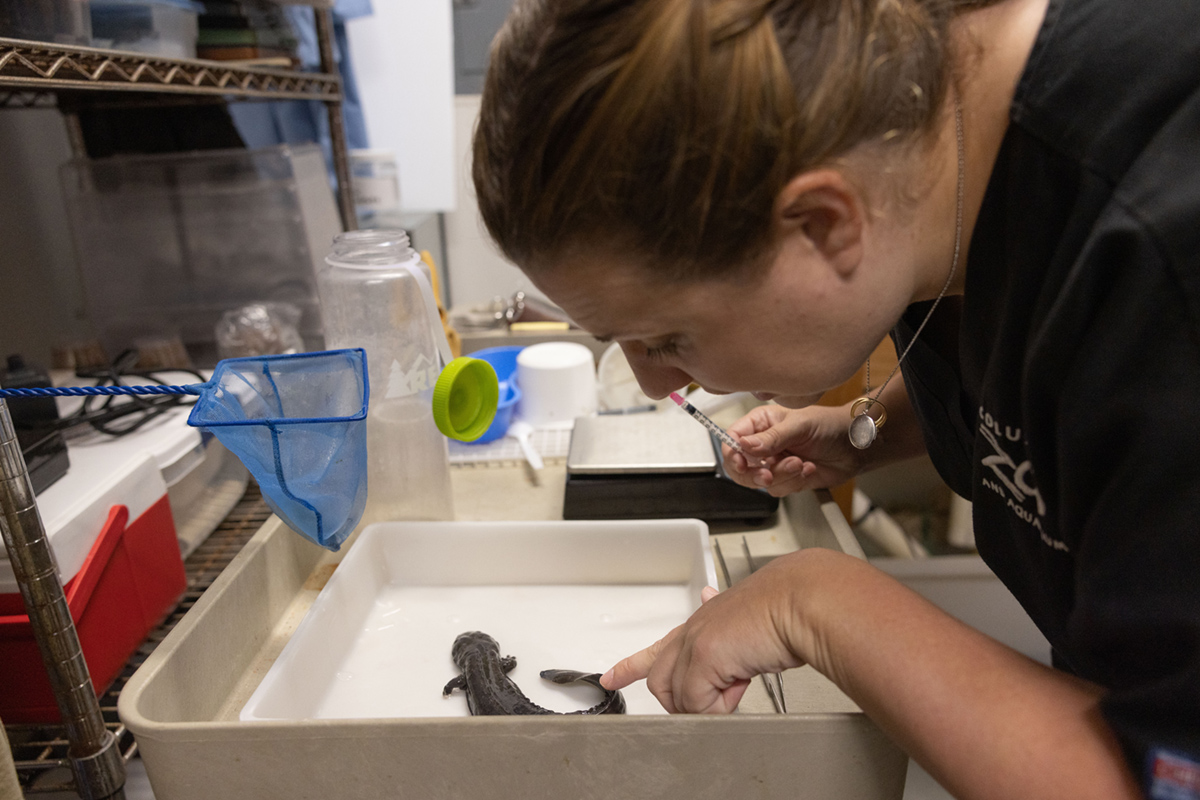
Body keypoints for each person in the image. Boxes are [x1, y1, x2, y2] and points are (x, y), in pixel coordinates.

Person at [471, 0, 1200, 797]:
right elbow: (1045, 367)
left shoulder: (1162, 243)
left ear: (821, 227)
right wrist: (873, 427)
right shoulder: (915, 140)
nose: (655, 384)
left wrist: (812, 603)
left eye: (666, 338)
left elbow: (1161, 777)